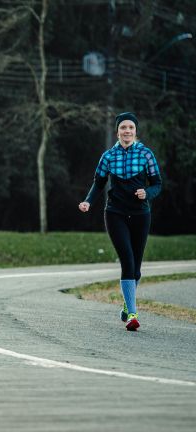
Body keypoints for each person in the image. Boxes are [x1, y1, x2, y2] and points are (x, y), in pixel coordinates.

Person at [79, 112, 162, 331]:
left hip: (141, 214)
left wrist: (148, 193)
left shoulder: (146, 154)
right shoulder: (108, 156)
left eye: (131, 128)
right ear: (117, 131)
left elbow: (157, 183)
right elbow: (98, 183)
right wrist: (88, 202)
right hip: (115, 213)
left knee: (136, 267)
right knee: (127, 260)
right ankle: (132, 315)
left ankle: (127, 304)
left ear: (135, 131)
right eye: (123, 127)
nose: (127, 131)